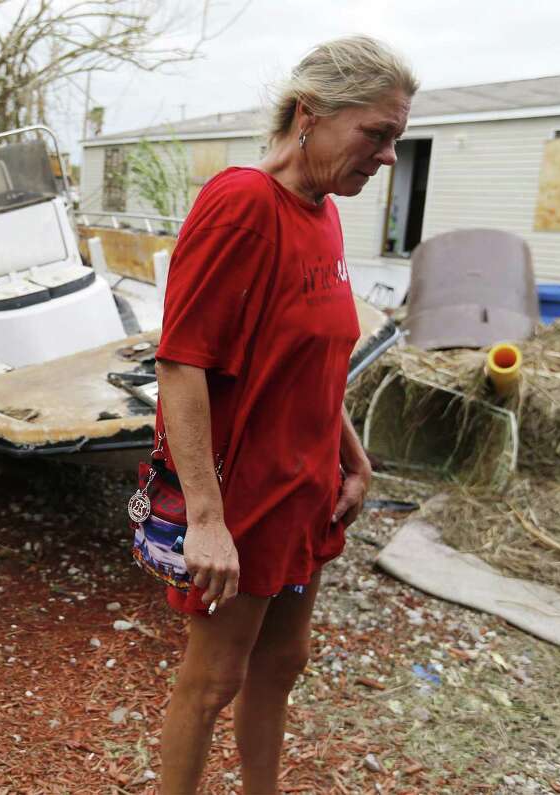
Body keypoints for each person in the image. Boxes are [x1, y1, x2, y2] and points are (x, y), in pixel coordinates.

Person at [147, 36, 418, 794]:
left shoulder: (323, 211)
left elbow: (313, 364)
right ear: (311, 114)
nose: (390, 156)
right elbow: (181, 360)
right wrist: (205, 516)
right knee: (211, 682)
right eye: (378, 133)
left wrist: (354, 458)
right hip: (248, 501)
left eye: (397, 137)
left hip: (307, 492)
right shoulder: (242, 204)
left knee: (282, 661)